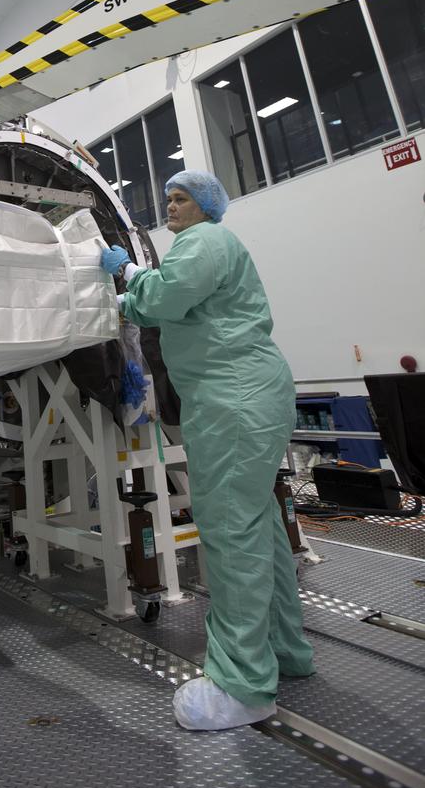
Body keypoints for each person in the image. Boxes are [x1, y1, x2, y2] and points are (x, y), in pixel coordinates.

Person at [100, 170, 314, 731]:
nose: (170, 206)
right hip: (246, 393)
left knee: (231, 533)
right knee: (260, 525)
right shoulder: (209, 248)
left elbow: (166, 297)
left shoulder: (204, 241)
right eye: (166, 197)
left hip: (231, 399)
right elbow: (173, 295)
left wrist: (126, 276)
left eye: (181, 198)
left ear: (207, 206)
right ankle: (285, 650)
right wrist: (138, 285)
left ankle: (243, 685)